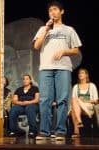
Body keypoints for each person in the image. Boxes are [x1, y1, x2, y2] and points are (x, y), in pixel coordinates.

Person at [33, 1, 82, 140]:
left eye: (55, 9)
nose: (52, 12)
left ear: (62, 11)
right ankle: (44, 131)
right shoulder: (43, 29)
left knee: (62, 100)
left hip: (63, 68)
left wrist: (64, 51)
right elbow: (36, 46)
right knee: (45, 100)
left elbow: (76, 50)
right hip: (46, 68)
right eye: (50, 10)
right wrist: (46, 29)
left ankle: (60, 131)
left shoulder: (69, 30)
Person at [71, 68, 98, 138]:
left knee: (74, 103)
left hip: (89, 107)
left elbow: (96, 100)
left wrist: (85, 101)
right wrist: (79, 101)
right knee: (74, 103)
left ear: (86, 75)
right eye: (79, 73)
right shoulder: (76, 87)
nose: (80, 74)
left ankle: (76, 131)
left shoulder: (92, 85)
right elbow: (73, 100)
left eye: (82, 73)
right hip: (78, 107)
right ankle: (79, 122)